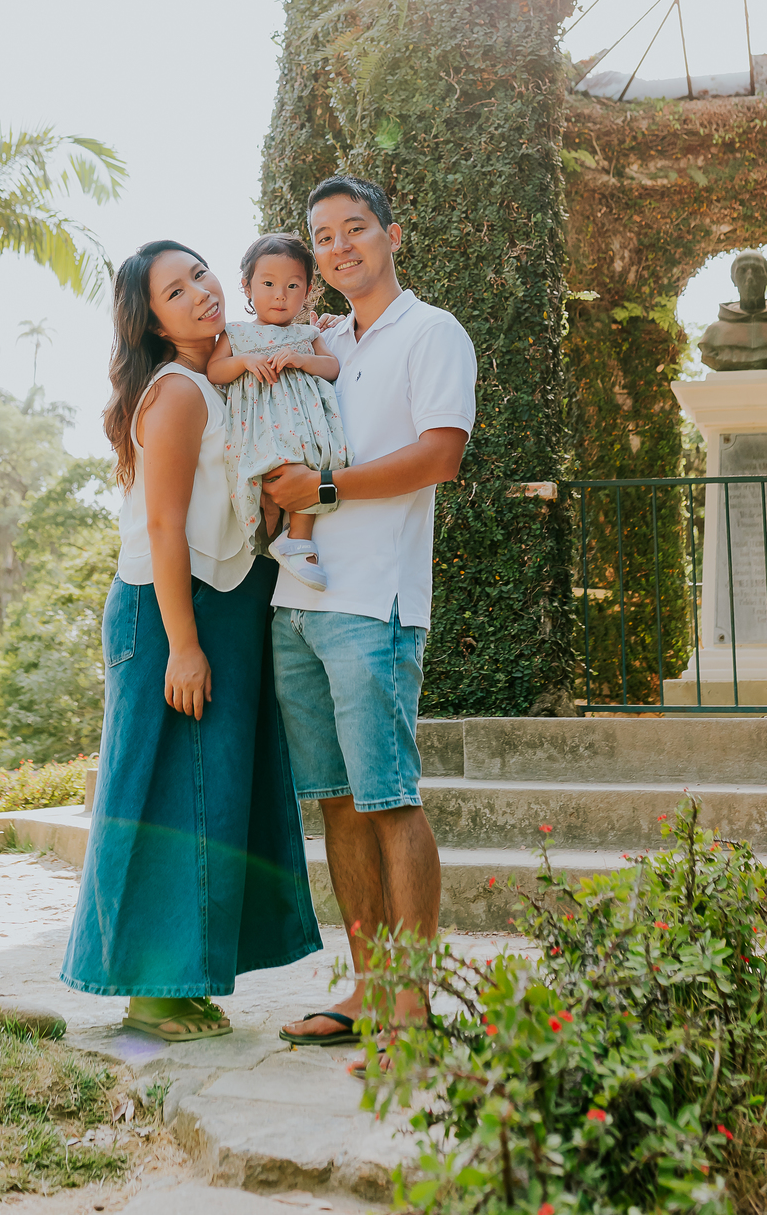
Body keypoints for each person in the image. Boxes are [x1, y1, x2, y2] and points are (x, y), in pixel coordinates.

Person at [60, 240, 321, 1039]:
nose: (202, 293)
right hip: (172, 610)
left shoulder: (228, 378)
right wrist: (182, 644)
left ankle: (184, 978)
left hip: (228, 603)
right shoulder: (177, 392)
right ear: (155, 320)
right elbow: (165, 526)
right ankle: (151, 992)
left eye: (202, 273)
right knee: (168, 793)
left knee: (215, 793)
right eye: (177, 290)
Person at [261, 177, 477, 1052]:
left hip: (373, 605)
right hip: (297, 600)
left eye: (356, 228)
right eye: (323, 235)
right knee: (337, 806)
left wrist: (320, 488)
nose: (340, 244)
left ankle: (412, 1001)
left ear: (393, 233)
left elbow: (439, 454)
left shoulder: (432, 332)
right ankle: (366, 986)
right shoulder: (323, 338)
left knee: (389, 799)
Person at [206, 231, 350, 591]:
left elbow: (332, 368)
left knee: (316, 463)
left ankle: (298, 539)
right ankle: (284, 540)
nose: (280, 295)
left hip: (305, 422)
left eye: (292, 285)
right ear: (247, 286)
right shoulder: (235, 333)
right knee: (275, 472)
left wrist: (303, 359)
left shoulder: (307, 333)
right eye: (268, 283)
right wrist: (244, 361)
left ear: (307, 288)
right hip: (259, 424)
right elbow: (214, 371)